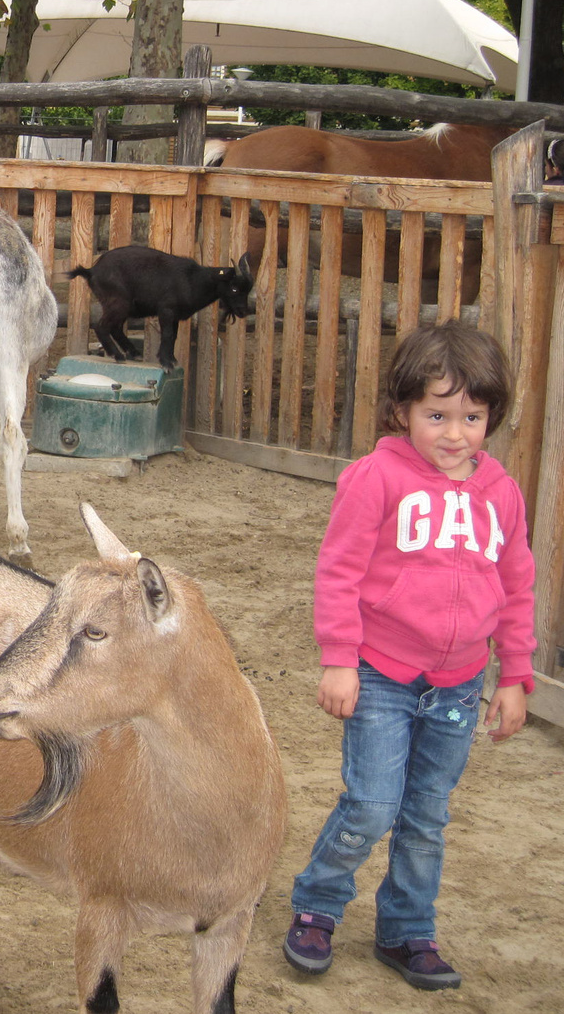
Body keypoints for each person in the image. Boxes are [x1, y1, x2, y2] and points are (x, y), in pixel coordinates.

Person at [283, 321, 534, 992]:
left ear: (492, 417)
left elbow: (517, 585)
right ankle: (318, 902)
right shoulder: (376, 479)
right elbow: (338, 570)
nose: (455, 434)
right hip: (380, 676)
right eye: (437, 414)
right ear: (403, 410)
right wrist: (339, 658)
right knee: (370, 802)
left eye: (472, 417)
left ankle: (407, 928)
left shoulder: (500, 495)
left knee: (427, 812)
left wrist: (514, 675)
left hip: (457, 684)